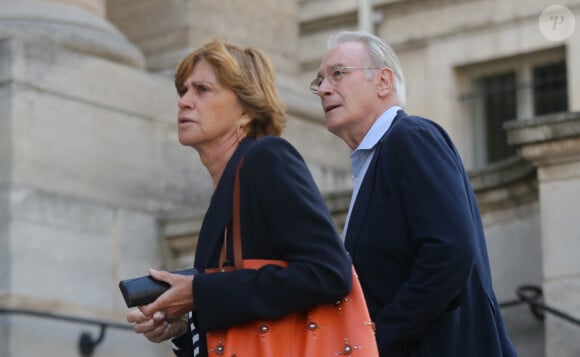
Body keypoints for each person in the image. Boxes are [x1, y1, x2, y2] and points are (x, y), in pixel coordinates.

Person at [126, 39, 352, 356]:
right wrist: (186, 321)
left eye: (202, 90)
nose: (184, 102)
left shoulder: (267, 158)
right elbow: (244, 301)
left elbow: (329, 273)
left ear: (246, 109)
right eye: (183, 91)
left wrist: (199, 294)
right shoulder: (228, 186)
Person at [311, 30, 517, 357]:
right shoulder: (376, 160)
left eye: (338, 74)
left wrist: (378, 338)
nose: (323, 89)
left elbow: (450, 253)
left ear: (383, 82)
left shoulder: (410, 137)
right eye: (319, 81)